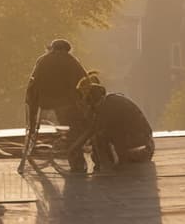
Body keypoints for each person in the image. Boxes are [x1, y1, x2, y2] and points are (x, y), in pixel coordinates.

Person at [26, 38, 88, 172]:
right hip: (66, 104)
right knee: (77, 125)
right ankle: (75, 156)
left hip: (44, 103)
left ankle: (63, 145)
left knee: (70, 118)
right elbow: (84, 82)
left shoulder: (42, 60)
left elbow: (32, 85)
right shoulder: (71, 61)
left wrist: (32, 111)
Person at [77, 79, 155, 171]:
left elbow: (92, 131)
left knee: (99, 138)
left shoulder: (108, 107)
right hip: (146, 148)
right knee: (100, 138)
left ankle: (106, 170)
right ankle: (110, 166)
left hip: (139, 152)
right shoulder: (112, 101)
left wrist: (73, 150)